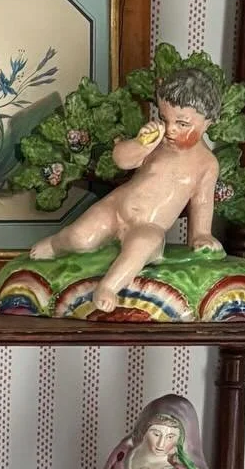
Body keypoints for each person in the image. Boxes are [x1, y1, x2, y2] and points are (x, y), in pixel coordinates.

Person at [28, 65, 225, 313]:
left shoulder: (207, 164)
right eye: (165, 118)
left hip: (148, 225)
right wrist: (141, 144)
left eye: (182, 123)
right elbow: (122, 160)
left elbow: (203, 201)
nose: (171, 128)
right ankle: (56, 244)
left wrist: (200, 234)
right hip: (116, 208)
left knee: (145, 243)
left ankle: (109, 286)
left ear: (208, 121)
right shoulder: (157, 140)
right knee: (80, 238)